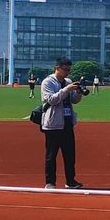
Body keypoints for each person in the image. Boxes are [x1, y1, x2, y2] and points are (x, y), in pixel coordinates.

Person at [40, 58, 84, 190]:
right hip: (53, 123)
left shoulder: (68, 81)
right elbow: (51, 100)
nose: (67, 72)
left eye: (69, 70)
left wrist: (79, 92)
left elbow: (74, 100)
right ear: (57, 68)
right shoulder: (47, 82)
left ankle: (70, 181)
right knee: (51, 155)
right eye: (65, 69)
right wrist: (66, 89)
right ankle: (50, 182)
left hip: (67, 122)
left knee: (70, 154)